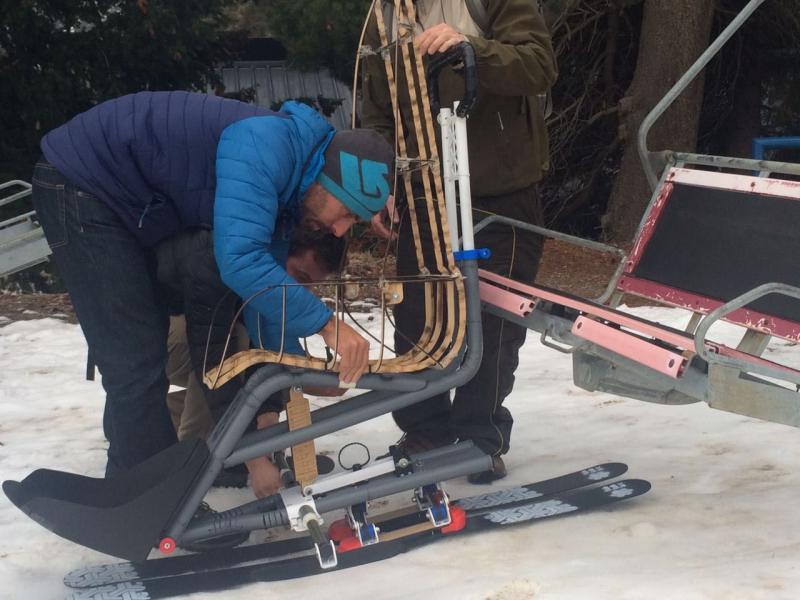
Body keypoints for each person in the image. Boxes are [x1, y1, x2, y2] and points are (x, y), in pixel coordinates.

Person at [32, 91, 393, 477]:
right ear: (328, 182)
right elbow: (240, 263)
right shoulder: (267, 148)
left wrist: (298, 374)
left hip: (119, 202)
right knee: (133, 361)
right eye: (347, 214)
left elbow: (264, 305)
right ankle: (144, 498)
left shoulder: (293, 190)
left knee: (142, 355)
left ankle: (147, 487)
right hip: (84, 182)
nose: (339, 231)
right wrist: (327, 324)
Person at [362, 0, 558, 482]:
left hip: (501, 191)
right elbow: (375, 110)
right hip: (422, 190)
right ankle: (425, 428)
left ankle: (480, 434)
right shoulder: (381, 15)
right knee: (416, 316)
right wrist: (378, 183)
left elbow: (538, 65)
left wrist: (472, 48)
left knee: (495, 320)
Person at [160, 227, 347, 496]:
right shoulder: (227, 263)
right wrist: (253, 458)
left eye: (310, 286)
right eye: (301, 276)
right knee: (233, 346)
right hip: (164, 339)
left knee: (244, 351)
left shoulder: (274, 281)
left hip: (202, 344)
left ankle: (163, 414)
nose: (301, 291)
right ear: (281, 252)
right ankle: (195, 458)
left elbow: (273, 352)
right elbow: (215, 364)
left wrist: (274, 408)